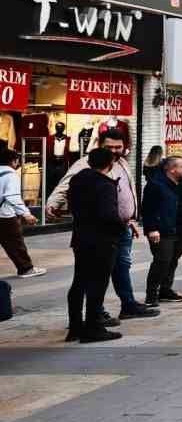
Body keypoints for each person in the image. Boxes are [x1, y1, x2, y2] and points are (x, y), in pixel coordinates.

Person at [48, 129, 156, 322]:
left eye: (118, 147)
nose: (114, 151)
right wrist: (53, 203)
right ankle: (96, 314)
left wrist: (131, 218)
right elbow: (65, 186)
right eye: (109, 147)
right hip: (102, 231)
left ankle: (128, 304)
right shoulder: (85, 165)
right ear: (100, 145)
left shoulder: (123, 163)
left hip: (122, 226)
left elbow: (127, 192)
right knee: (98, 274)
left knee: (122, 266)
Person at [65, 147, 123, 342]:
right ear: (110, 164)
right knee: (97, 284)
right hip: (102, 240)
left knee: (79, 282)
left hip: (81, 237)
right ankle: (93, 328)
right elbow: (108, 215)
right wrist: (121, 229)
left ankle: (75, 327)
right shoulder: (105, 184)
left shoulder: (77, 180)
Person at [143, 155, 182, 305]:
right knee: (162, 261)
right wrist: (152, 228)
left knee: (173, 261)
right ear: (172, 169)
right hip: (163, 230)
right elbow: (148, 209)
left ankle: (165, 290)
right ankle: (151, 295)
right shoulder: (155, 184)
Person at [0, 148, 43, 277]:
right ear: (13, 161)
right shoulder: (11, 175)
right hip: (5, 215)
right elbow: (12, 196)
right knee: (15, 243)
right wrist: (26, 214)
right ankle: (26, 269)